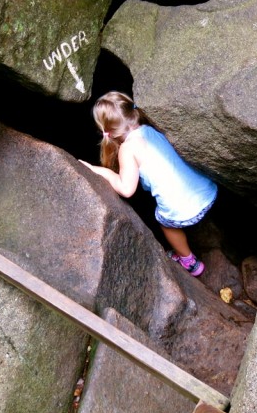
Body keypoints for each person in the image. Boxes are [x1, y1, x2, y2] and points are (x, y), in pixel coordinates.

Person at [80, 91, 217, 277]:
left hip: (186, 212)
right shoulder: (151, 129)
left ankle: (190, 262)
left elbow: (126, 189)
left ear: (108, 132)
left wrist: (97, 170)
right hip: (208, 191)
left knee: (165, 223)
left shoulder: (127, 149)